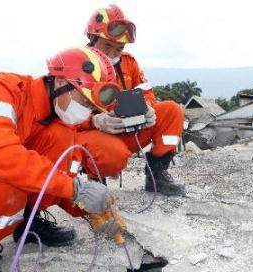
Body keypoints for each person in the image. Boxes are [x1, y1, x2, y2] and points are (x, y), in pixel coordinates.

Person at [0, 46, 123, 272]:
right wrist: (74, 188)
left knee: (62, 144)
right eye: (84, 101)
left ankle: (25, 222)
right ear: (60, 80)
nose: (86, 110)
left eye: (91, 107)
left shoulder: (59, 119)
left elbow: (62, 177)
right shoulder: (0, 90)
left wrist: (88, 209)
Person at [77, 4, 186, 196]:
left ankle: (157, 173)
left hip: (130, 130)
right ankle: (96, 182)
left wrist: (149, 109)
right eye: (107, 45)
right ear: (92, 39)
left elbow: (147, 93)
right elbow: (64, 116)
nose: (112, 53)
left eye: (119, 48)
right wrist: (95, 121)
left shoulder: (129, 63)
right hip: (95, 136)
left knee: (172, 110)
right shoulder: (78, 66)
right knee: (110, 152)